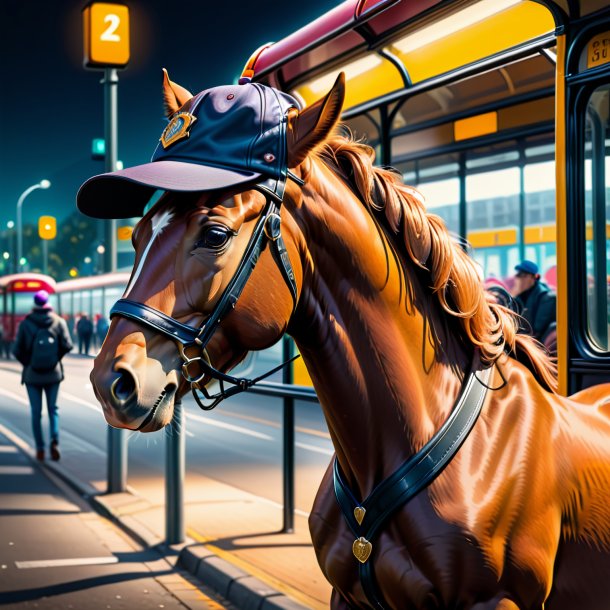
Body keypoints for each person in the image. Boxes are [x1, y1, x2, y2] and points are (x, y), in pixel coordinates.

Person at [12, 290, 73, 461]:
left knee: (36, 412)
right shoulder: (59, 322)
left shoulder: (25, 324)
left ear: (34, 304)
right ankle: (54, 441)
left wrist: (28, 363)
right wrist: (55, 359)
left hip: (32, 376)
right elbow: (68, 345)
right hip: (53, 374)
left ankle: (40, 448)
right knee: (53, 410)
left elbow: (17, 350)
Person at [512, 260, 556, 344]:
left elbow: (536, 329)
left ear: (533, 277)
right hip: (522, 340)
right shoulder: (520, 296)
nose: (518, 278)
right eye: (517, 275)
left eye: (522, 275)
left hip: (536, 345)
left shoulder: (546, 297)